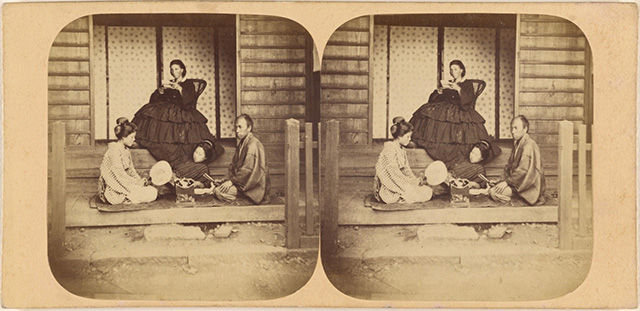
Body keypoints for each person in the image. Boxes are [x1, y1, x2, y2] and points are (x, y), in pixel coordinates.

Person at [409, 60, 497, 166]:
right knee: (426, 110)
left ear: (461, 70)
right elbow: (436, 100)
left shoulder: (467, 84)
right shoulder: (450, 82)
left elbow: (468, 100)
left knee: (456, 125)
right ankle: (416, 139)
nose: (453, 71)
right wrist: (438, 92)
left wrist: (458, 89)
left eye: (455, 69)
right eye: (451, 69)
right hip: (447, 107)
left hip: (461, 109)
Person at [132, 59, 218, 164]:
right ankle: (140, 141)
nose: (174, 72)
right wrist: (160, 92)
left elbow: (189, 101)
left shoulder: (188, 84)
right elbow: (156, 100)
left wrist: (180, 89)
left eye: (176, 69)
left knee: (177, 129)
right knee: (149, 110)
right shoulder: (171, 82)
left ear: (182, 70)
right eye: (172, 69)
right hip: (169, 108)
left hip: (183, 109)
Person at [374, 117, 435, 204]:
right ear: (399, 136)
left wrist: (415, 180)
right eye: (408, 136)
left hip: (401, 181)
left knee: (427, 191)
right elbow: (394, 174)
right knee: (422, 193)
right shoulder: (389, 150)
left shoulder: (401, 150)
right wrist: (410, 183)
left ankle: (406, 194)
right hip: (390, 184)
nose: (410, 139)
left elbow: (406, 170)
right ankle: (401, 197)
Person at [213, 114, 271, 205]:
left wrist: (231, 181)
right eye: (236, 127)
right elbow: (233, 166)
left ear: (249, 128)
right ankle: (237, 195)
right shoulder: (242, 143)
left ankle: (242, 198)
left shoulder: (253, 145)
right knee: (218, 187)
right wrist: (224, 179)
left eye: (240, 127)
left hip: (253, 186)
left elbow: (248, 170)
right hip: (242, 182)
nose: (237, 130)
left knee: (218, 191)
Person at [98, 118, 158, 205]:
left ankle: (131, 196)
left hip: (125, 182)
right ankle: (126, 198)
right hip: (114, 186)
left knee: (153, 191)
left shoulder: (125, 150)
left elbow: (131, 170)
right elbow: (119, 176)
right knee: (149, 194)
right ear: (123, 137)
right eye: (132, 137)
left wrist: (140, 181)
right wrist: (136, 183)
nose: (134, 140)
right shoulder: (114, 151)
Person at [489, 115, 546, 205]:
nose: (512, 131)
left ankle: (515, 199)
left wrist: (507, 182)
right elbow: (509, 166)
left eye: (516, 128)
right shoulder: (518, 144)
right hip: (517, 183)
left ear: (525, 129)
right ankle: (512, 196)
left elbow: (523, 170)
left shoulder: (529, 145)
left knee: (493, 192)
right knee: (493, 189)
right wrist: (500, 181)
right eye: (511, 128)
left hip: (528, 186)